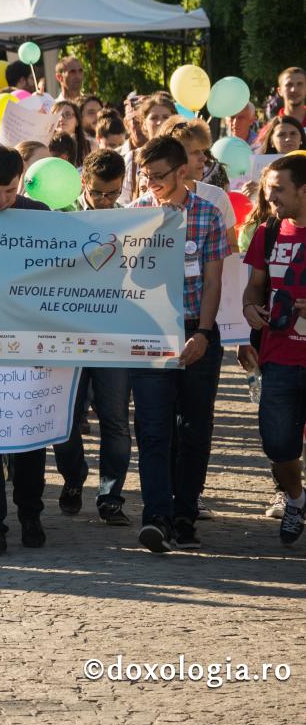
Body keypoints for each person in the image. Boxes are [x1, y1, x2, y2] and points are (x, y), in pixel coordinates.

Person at [130, 134, 227, 553]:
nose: (151, 183)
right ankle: (156, 516)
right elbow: (126, 278)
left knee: (194, 427)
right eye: (145, 176)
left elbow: (213, 280)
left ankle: (185, 513)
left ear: (182, 171)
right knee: (153, 428)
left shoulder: (209, 214)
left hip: (195, 328)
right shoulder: (134, 215)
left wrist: (203, 333)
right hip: (149, 331)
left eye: (158, 176)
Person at [0, 145, 54, 557]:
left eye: (9, 191)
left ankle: (30, 514)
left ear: (21, 182)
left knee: (29, 438)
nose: (1, 200)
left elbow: (57, 280)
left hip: (29, 343)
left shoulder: (40, 215)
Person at [55, 148, 134, 525]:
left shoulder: (132, 221)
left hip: (113, 337)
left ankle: (110, 496)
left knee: (115, 419)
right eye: (99, 192)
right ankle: (74, 478)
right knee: (64, 420)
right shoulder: (60, 217)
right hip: (67, 336)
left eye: (113, 193)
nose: (105, 200)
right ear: (83, 182)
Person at [245, 152, 306, 546]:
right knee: (277, 444)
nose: (271, 198)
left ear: (304, 190)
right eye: (269, 190)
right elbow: (254, 287)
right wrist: (250, 308)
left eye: (279, 190)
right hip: (278, 360)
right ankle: (296, 500)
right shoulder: (267, 232)